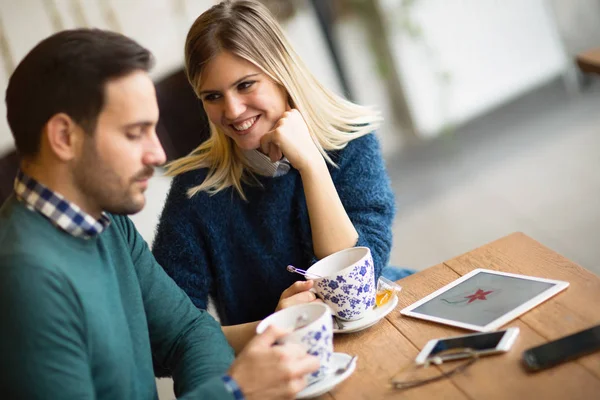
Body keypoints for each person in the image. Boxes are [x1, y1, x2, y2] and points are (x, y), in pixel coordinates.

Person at [0, 28, 319, 399]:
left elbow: (188, 332)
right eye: (136, 133)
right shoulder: (23, 276)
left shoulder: (106, 220)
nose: (158, 154)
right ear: (64, 138)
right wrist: (235, 392)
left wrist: (223, 392)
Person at [153, 0, 410, 349]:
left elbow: (355, 287)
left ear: (281, 74)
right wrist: (272, 328)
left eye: (245, 85)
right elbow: (166, 339)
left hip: (382, 328)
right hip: (287, 363)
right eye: (213, 96)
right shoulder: (196, 192)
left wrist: (312, 165)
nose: (232, 110)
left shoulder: (351, 142)